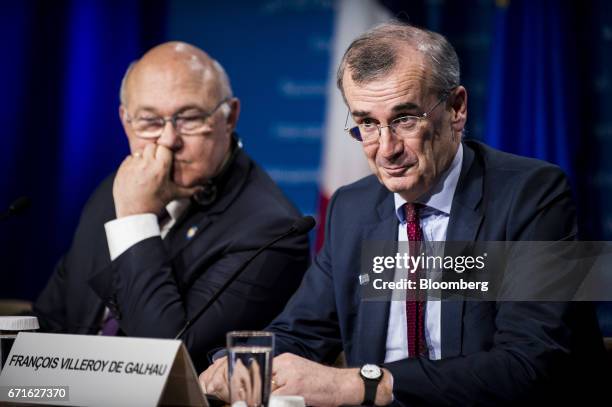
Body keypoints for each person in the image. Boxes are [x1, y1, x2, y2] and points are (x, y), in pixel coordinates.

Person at [200, 22, 608, 406]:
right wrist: (231, 368)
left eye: (404, 119)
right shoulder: (352, 208)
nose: (386, 148)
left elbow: (529, 365)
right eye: (367, 123)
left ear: (456, 108)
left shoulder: (532, 195)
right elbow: (301, 333)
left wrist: (362, 384)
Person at [33, 42, 310, 372]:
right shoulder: (113, 190)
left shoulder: (271, 230)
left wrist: (135, 218)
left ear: (230, 117)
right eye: (149, 121)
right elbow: (50, 321)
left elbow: (167, 359)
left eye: (190, 118)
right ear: (125, 121)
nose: (168, 140)